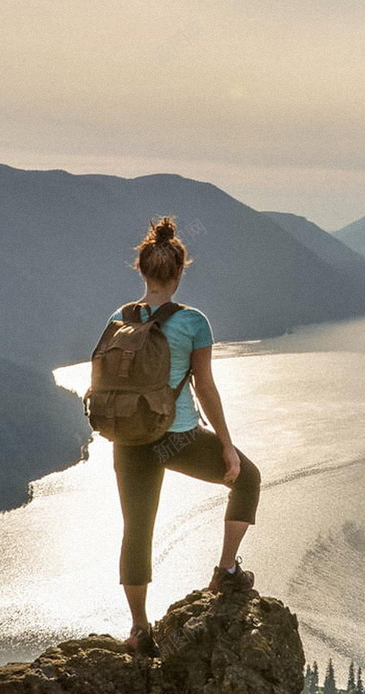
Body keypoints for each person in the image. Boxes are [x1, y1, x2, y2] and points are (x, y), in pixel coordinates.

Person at [109, 215, 262, 657]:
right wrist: (227, 445)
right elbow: (205, 387)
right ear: (179, 273)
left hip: (130, 439)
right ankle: (226, 571)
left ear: (142, 270)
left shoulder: (120, 317)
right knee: (246, 478)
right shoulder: (193, 321)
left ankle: (139, 629)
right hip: (174, 437)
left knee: (137, 530)